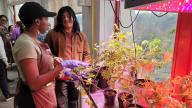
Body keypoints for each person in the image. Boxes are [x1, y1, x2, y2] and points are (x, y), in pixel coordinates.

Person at [12, 2, 86, 108]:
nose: (48, 22)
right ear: (37, 21)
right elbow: (34, 84)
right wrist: (59, 69)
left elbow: (40, 61)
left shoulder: (34, 40)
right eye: (46, 19)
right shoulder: (25, 44)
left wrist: (53, 60)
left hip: (45, 96)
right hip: (35, 100)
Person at [45, 6, 91, 108]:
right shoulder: (52, 34)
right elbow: (45, 52)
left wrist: (84, 69)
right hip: (61, 76)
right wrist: (54, 59)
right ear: (60, 20)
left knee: (74, 102)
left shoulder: (81, 36)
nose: (66, 19)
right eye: (63, 17)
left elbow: (87, 54)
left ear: (73, 18)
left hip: (76, 76)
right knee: (61, 103)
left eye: (68, 16)